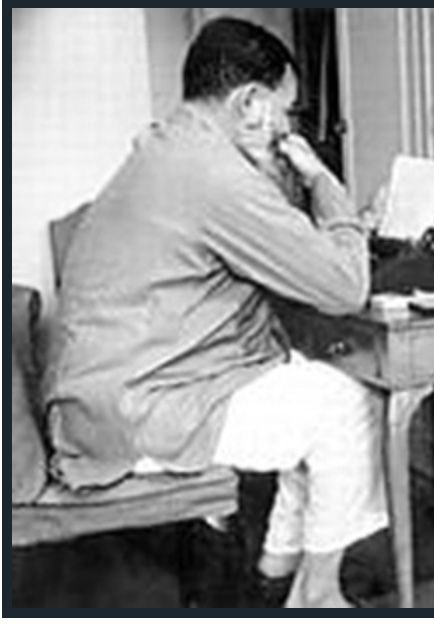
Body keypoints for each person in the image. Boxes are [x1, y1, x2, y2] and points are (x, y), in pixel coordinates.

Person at [43, 18, 386, 608]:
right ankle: (318, 593)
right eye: (286, 110)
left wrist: (273, 176)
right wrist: (324, 180)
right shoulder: (212, 173)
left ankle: (277, 568)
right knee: (347, 402)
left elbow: (254, 241)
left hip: (101, 395)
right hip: (135, 410)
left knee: (298, 375)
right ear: (250, 103)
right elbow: (347, 287)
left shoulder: (168, 146)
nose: (285, 126)